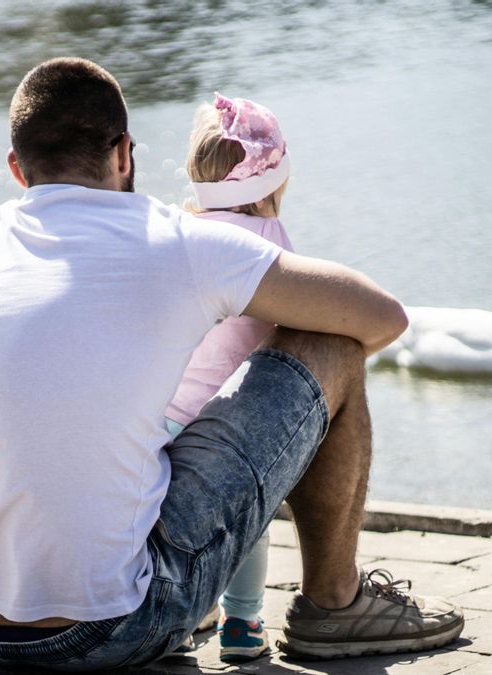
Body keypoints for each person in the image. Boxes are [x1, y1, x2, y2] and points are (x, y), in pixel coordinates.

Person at [0, 57, 464, 670]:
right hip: (109, 628)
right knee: (333, 342)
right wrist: (304, 404)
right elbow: (382, 316)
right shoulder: (176, 240)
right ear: (123, 152)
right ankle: (335, 605)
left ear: (17, 169)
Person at [163, 92, 296, 662]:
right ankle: (242, 624)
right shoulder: (269, 244)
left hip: (153, 417)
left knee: (169, 520)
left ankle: (187, 615)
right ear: (273, 185)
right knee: (248, 516)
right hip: (214, 417)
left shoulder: (174, 234)